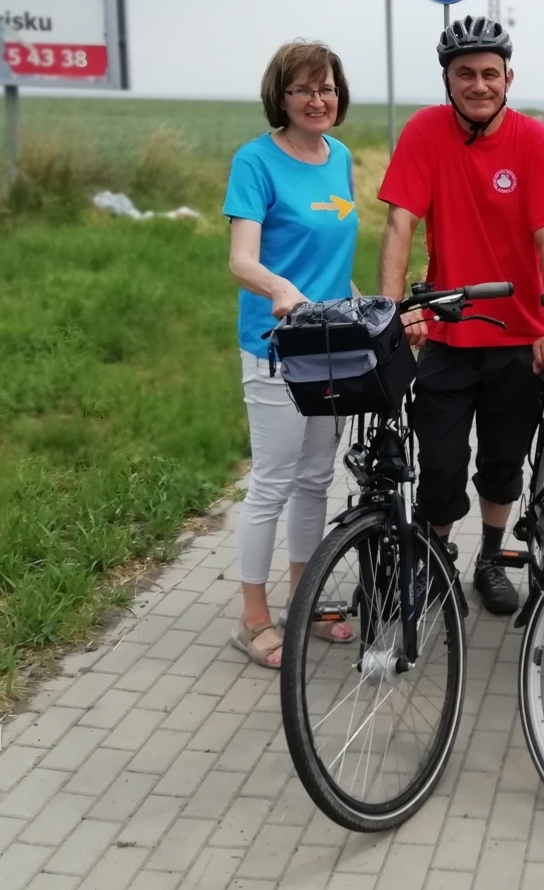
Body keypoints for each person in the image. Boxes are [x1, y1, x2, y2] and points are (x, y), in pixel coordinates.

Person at [376, 16, 544, 615]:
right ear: (448, 80)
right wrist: (394, 312)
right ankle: (434, 560)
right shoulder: (425, 130)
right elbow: (399, 222)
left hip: (518, 335)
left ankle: (490, 558)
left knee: (502, 462)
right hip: (447, 330)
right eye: (465, 73)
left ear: (508, 78)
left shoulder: (536, 141)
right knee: (440, 465)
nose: (479, 84)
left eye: (491, 73)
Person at [223, 41, 362, 668]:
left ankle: (304, 600)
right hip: (277, 346)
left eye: (326, 87)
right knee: (273, 482)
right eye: (303, 88)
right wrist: (280, 289)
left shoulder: (341, 158)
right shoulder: (255, 161)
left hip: (330, 346)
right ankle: (253, 618)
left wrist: (365, 310)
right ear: (280, 96)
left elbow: (333, 260)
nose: (317, 99)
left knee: (315, 478)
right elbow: (241, 260)